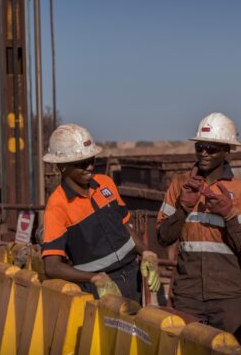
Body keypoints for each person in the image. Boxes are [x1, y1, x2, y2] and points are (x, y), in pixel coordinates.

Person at [156, 113, 241, 335]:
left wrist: (228, 214)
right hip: (187, 294)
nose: (203, 153)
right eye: (200, 146)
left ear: (227, 150)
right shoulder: (180, 185)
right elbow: (163, 237)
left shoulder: (240, 191)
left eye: (212, 148)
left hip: (227, 295)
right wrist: (182, 209)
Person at [41, 123, 160, 302]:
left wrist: (145, 252)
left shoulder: (105, 183)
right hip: (98, 289)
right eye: (81, 163)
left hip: (132, 278)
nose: (89, 167)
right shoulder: (57, 205)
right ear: (62, 166)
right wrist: (94, 278)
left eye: (92, 160)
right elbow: (51, 267)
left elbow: (125, 226)